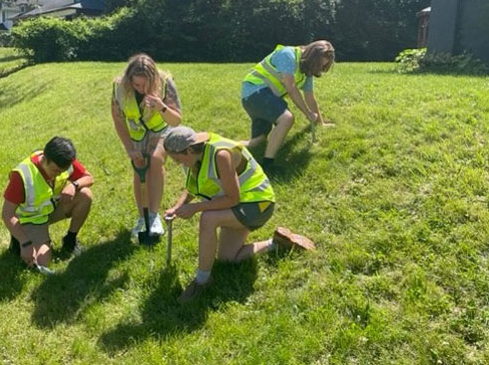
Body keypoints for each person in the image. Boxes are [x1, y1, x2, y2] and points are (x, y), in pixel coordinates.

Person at [163, 126, 315, 304]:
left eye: (177, 159)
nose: (176, 163)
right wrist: (178, 207)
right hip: (243, 205)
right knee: (228, 258)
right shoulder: (196, 155)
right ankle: (278, 243)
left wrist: (195, 208)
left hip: (259, 204)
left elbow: (232, 199)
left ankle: (202, 281)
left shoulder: (221, 156)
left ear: (189, 150)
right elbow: (192, 187)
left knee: (208, 218)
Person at [112, 53, 182, 238]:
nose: (141, 89)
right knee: (139, 166)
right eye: (136, 85)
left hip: (161, 130)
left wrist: (161, 107)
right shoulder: (118, 87)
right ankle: (143, 217)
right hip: (137, 135)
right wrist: (130, 149)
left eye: (146, 85)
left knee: (156, 159)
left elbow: (176, 120)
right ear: (129, 80)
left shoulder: (166, 83)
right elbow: (118, 120)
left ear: (154, 80)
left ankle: (153, 214)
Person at [2, 136, 93, 273]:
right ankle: (19, 239)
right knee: (41, 263)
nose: (58, 175)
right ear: (44, 159)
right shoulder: (22, 175)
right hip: (31, 219)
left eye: (63, 171)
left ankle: (70, 241)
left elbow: (89, 178)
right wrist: (25, 242)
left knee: (85, 195)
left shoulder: (64, 160)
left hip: (51, 209)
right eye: (55, 171)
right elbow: (7, 214)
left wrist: (74, 185)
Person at [241, 40, 335, 171]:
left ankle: (217, 145)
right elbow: (291, 87)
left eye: (322, 66)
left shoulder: (306, 70)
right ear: (311, 57)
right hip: (254, 93)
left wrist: (320, 122)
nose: (318, 69)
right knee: (287, 118)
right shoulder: (287, 55)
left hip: (257, 99)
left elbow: (310, 97)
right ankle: (268, 165)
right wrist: (307, 113)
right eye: (318, 65)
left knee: (257, 143)